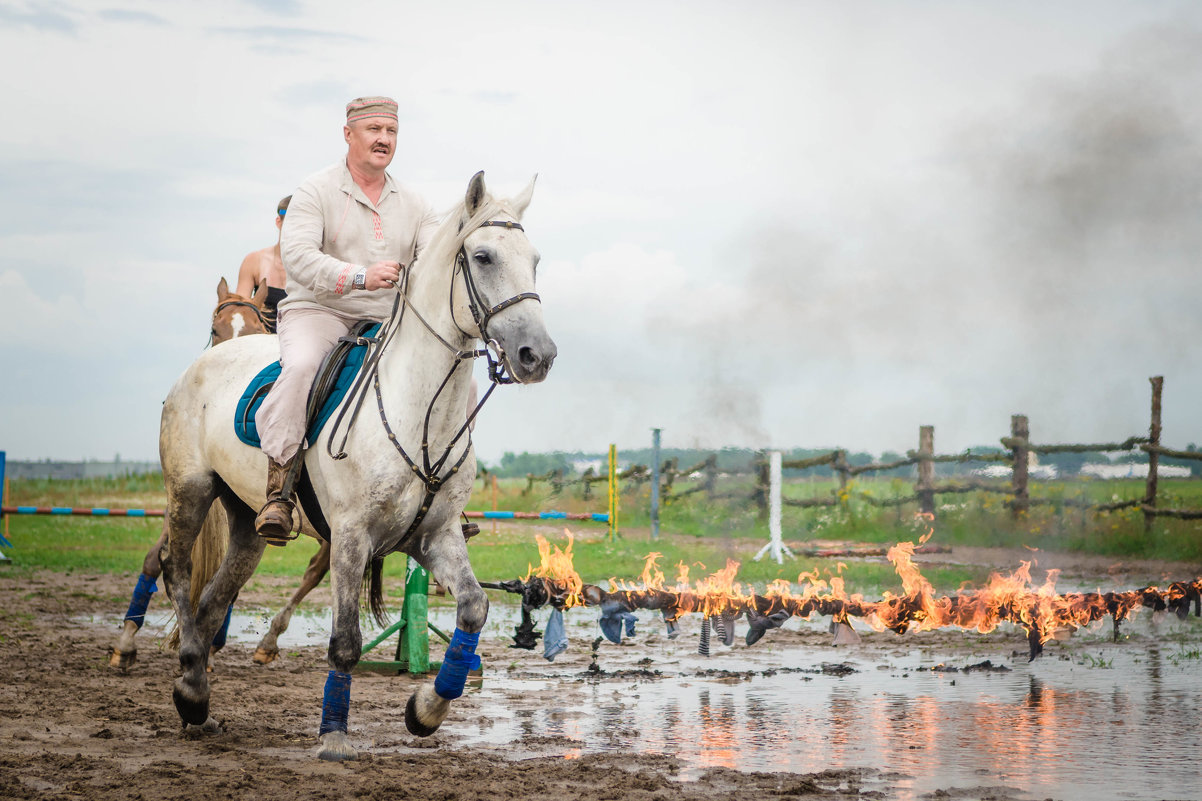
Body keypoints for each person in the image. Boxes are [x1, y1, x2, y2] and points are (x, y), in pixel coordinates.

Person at [253, 96, 440, 545]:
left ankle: (441, 493)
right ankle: (279, 489)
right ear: (348, 134)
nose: (383, 139)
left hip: (386, 321)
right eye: (374, 129)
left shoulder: (416, 201)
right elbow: (296, 258)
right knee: (300, 368)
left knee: (457, 380)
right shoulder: (314, 190)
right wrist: (359, 276)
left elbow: (432, 262)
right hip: (318, 310)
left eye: (391, 132)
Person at [234, 196, 292, 332]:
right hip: (260, 337)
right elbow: (241, 310)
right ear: (279, 222)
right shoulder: (254, 261)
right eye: (290, 223)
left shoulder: (313, 266)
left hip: (299, 335)